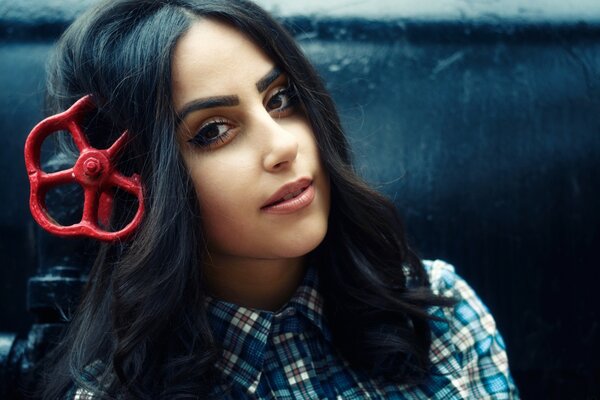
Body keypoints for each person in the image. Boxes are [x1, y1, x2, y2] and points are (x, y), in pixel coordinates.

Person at [38, 0, 519, 398]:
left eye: (280, 99)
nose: (283, 146)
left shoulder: (439, 313)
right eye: (213, 131)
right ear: (131, 180)